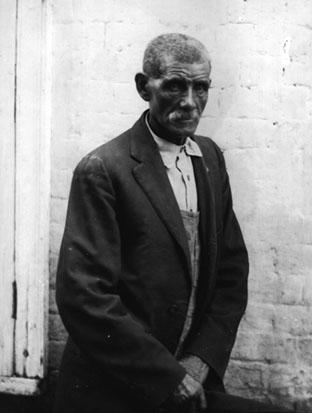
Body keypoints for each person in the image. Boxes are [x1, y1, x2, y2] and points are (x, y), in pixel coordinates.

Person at [54, 34, 293, 413]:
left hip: (190, 380)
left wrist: (199, 362)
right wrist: (166, 377)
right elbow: (85, 299)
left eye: (201, 88)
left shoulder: (210, 158)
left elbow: (232, 273)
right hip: (116, 389)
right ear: (142, 87)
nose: (189, 102)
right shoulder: (102, 169)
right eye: (175, 86)